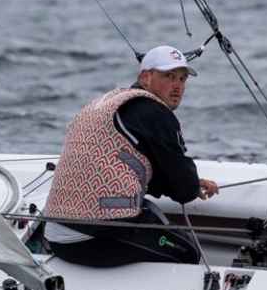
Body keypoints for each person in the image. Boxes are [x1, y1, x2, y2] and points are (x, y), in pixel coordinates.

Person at [43, 45, 220, 267]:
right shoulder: (155, 113)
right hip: (90, 239)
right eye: (169, 76)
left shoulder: (110, 102)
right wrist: (192, 185)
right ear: (145, 77)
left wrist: (195, 183)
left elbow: (124, 163)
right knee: (187, 252)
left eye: (183, 79)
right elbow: (183, 190)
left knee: (152, 214)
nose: (177, 86)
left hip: (54, 232)